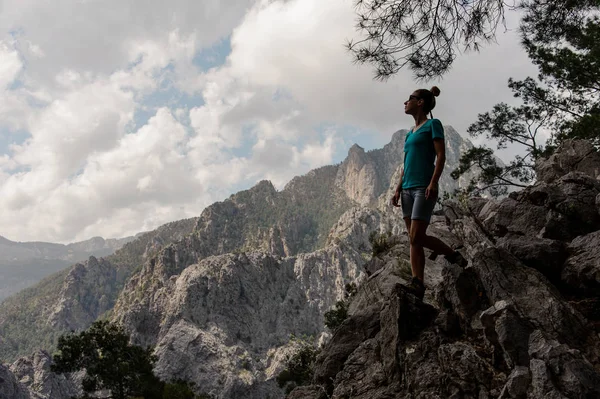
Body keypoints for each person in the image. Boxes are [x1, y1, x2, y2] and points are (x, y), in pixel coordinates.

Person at [391, 86, 467, 300]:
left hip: (423, 187)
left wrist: (433, 182)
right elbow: (406, 163)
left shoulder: (433, 124)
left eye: (410, 98)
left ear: (421, 102)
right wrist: (397, 188)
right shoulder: (409, 133)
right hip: (406, 189)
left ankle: (452, 255)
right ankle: (418, 283)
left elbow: (441, 156)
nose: (405, 102)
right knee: (414, 239)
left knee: (416, 236)